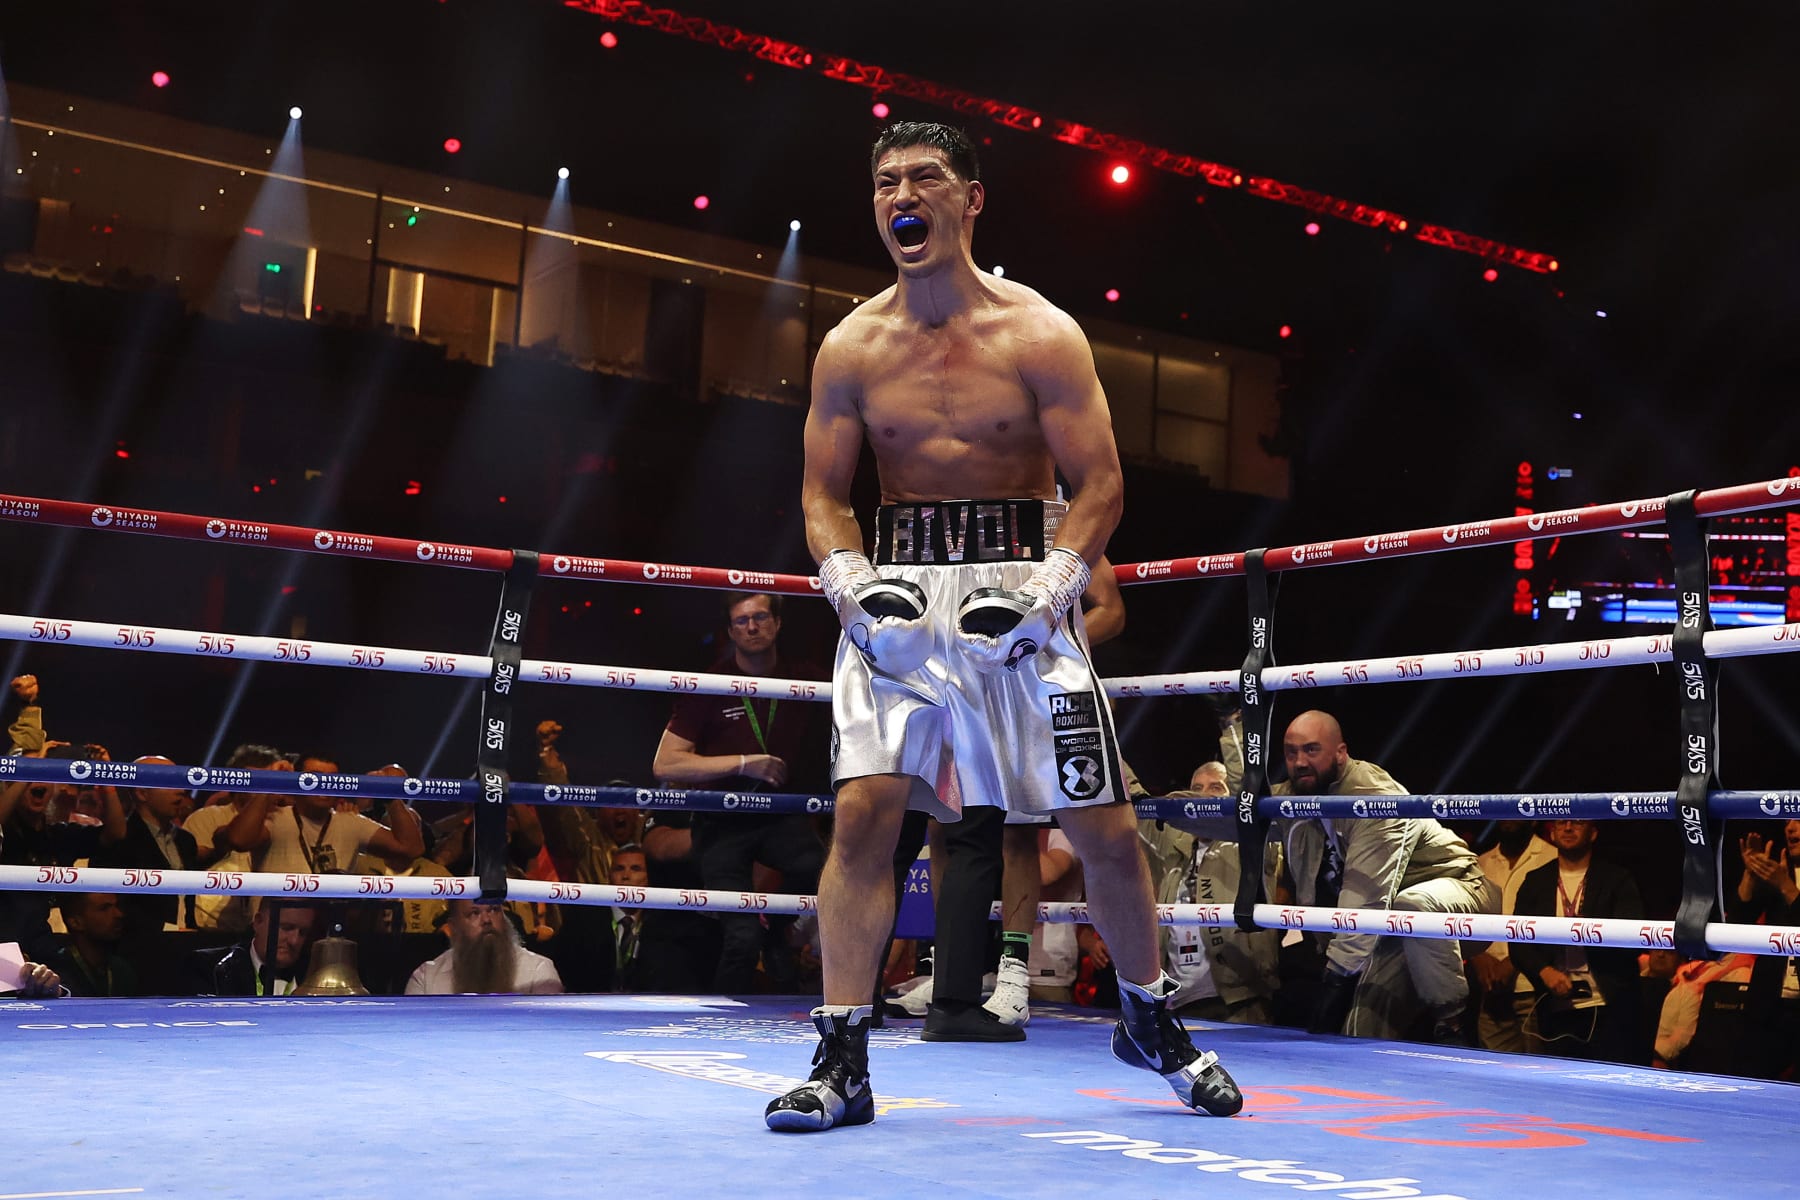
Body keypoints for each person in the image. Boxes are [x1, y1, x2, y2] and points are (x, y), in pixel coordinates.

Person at [767, 121, 1240, 1132]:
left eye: (926, 176)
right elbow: (821, 494)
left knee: (1105, 832)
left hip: (1022, 594)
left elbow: (1103, 482)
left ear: (970, 199)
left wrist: (1050, 588)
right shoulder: (851, 345)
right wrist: (850, 584)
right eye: (886, 177)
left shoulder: (1040, 333)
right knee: (862, 820)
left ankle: (1149, 1019)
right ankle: (842, 1057)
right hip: (898, 596)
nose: (904, 191)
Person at [651, 591, 827, 994]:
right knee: (742, 938)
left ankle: (779, 931)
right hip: (722, 822)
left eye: (761, 617)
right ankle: (723, 1027)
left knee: (817, 866)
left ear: (778, 623)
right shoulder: (711, 685)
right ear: (730, 630)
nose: (752, 626)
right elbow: (666, 763)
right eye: (743, 620)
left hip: (781, 816)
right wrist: (744, 762)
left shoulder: (808, 680)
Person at [1140, 762, 1281, 1024]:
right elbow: (1132, 798)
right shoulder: (1175, 852)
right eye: (1196, 789)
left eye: (1216, 787)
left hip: (1239, 1001)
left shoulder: (1251, 846)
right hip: (1177, 1002)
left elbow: (1251, 784)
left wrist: (1235, 726)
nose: (1204, 796)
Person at [1510, 819, 1645, 1063]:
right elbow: (1518, 942)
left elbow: (1633, 940)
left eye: (1578, 822)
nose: (1568, 828)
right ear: (1552, 832)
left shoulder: (1617, 879)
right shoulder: (1535, 880)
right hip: (1553, 1004)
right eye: (1562, 822)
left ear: (1593, 833)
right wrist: (1544, 971)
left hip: (1608, 1004)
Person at [1469, 819, 1557, 1052]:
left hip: (1535, 986)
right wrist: (1477, 956)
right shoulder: (1480, 862)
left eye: (1516, 813)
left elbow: (1557, 920)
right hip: (1489, 987)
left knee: (1537, 1072)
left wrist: (1516, 960)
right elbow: (1468, 916)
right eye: (1505, 812)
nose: (1509, 819)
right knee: (1493, 1073)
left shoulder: (1553, 857)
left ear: (1534, 819)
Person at [406, 898, 563, 995]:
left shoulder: (539, 972)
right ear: (453, 927)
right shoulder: (426, 979)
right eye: (474, 913)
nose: (487, 919)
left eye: (494, 910)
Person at [210, 902, 320, 996]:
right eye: (287, 928)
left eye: (303, 933)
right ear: (258, 922)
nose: (294, 941)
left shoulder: (316, 975)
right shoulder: (215, 970)